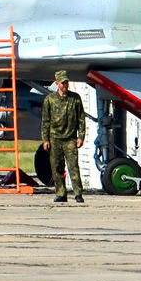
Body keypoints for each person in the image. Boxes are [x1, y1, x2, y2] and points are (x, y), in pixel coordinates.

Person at [41, 70, 86, 203]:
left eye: (66, 82)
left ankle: (78, 193)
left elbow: (81, 119)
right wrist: (45, 140)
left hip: (70, 138)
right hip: (55, 138)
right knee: (57, 167)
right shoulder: (50, 100)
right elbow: (45, 121)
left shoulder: (75, 98)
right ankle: (61, 193)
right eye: (63, 83)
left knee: (73, 166)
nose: (65, 85)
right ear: (57, 83)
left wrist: (81, 136)